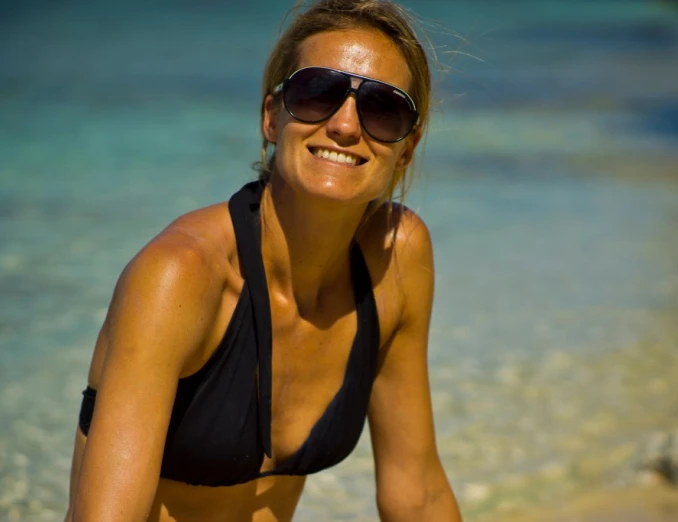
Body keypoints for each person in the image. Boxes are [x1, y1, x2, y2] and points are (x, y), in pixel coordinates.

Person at [66, 0, 462, 520]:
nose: (345, 125)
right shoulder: (180, 276)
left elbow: (418, 491)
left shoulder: (396, 255)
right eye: (317, 93)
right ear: (273, 116)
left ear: (405, 151)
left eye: (382, 109)